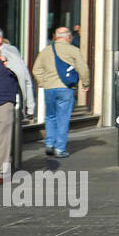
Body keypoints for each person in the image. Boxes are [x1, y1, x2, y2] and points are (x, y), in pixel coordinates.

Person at [0, 26, 35, 180]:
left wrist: (30, 106)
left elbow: (26, 80)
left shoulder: (9, 57)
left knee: (3, 142)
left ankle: (0, 173)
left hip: (2, 105)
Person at [31, 26, 88, 159]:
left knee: (50, 117)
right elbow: (83, 68)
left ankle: (49, 144)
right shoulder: (73, 50)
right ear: (68, 37)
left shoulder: (46, 51)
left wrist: (44, 83)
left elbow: (36, 70)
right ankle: (59, 148)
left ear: (56, 37)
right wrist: (85, 83)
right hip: (65, 89)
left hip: (49, 89)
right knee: (63, 119)